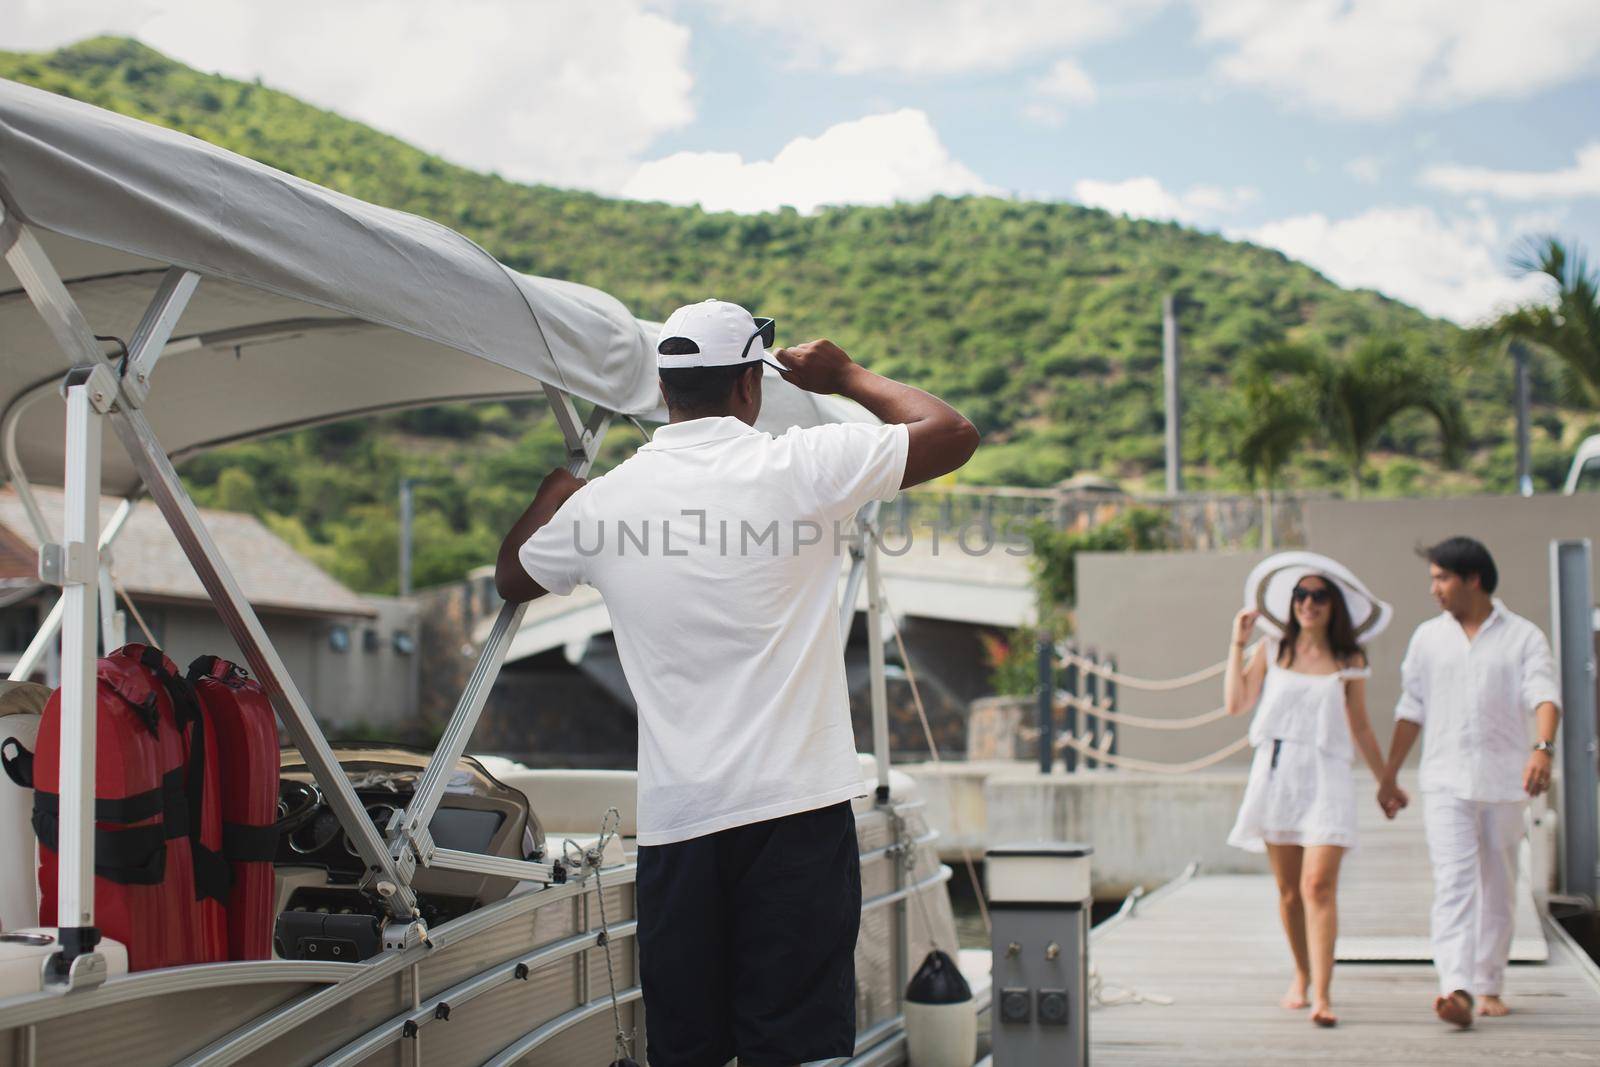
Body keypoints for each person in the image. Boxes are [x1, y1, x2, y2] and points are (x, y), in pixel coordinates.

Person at [494, 299, 978, 1067]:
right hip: (796, 813)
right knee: (796, 1047)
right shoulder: (802, 464)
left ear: (663, 389)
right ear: (750, 385)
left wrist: (557, 493)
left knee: (687, 1051)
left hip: (678, 824)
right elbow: (952, 433)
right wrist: (846, 374)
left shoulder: (607, 502)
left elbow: (513, 576)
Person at [1379, 536, 1561, 1029]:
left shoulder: (1524, 637)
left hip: (1506, 782)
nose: (1434, 589)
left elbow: (1544, 695)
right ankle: (1455, 987)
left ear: (1472, 579)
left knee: (1499, 886)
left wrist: (1542, 750)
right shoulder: (1427, 638)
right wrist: (1389, 773)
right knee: (1454, 882)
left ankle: (1488, 983)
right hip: (1444, 781)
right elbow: (1410, 709)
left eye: (1442, 578)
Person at [1224, 552, 1395, 1028]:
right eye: (1301, 594)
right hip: (1278, 775)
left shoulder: (1350, 659)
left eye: (1319, 596)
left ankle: (1322, 992)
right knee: (1288, 891)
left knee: (1318, 885)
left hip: (1327, 777)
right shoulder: (1273, 649)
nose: (1309, 603)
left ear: (1333, 605)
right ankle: (1299, 973)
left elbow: (1360, 727)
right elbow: (1236, 704)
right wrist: (1236, 645)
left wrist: (1386, 781)